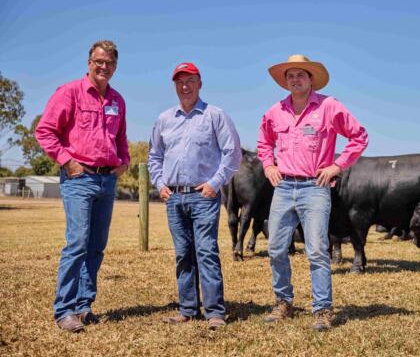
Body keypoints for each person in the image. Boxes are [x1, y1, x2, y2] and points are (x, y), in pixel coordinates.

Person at [257, 54, 368, 331]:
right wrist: (269, 165)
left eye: (301, 75)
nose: (295, 80)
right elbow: (263, 142)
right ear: (285, 81)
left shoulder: (329, 107)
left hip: (315, 187)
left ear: (311, 79)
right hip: (283, 187)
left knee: (317, 250)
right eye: (290, 76)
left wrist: (337, 166)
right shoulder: (275, 112)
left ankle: (322, 309)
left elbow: (359, 136)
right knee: (275, 248)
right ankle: (283, 302)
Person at [35, 40, 130, 333]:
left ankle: (84, 305)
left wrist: (124, 161)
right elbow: (45, 131)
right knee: (77, 243)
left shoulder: (117, 100)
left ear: (115, 66)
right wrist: (67, 161)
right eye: (99, 62)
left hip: (106, 180)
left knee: (96, 247)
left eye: (110, 63)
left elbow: (121, 139)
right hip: (80, 178)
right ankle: (64, 310)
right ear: (89, 62)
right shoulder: (69, 93)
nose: (104, 67)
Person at [147, 62, 241, 330]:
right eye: (180, 82)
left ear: (200, 83)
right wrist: (160, 183)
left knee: (206, 251)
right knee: (183, 253)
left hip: (203, 196)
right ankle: (188, 309)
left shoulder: (215, 115)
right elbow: (154, 155)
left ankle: (214, 312)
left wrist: (215, 183)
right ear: (174, 86)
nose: (185, 87)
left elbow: (232, 153)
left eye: (190, 81)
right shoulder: (165, 119)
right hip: (174, 198)